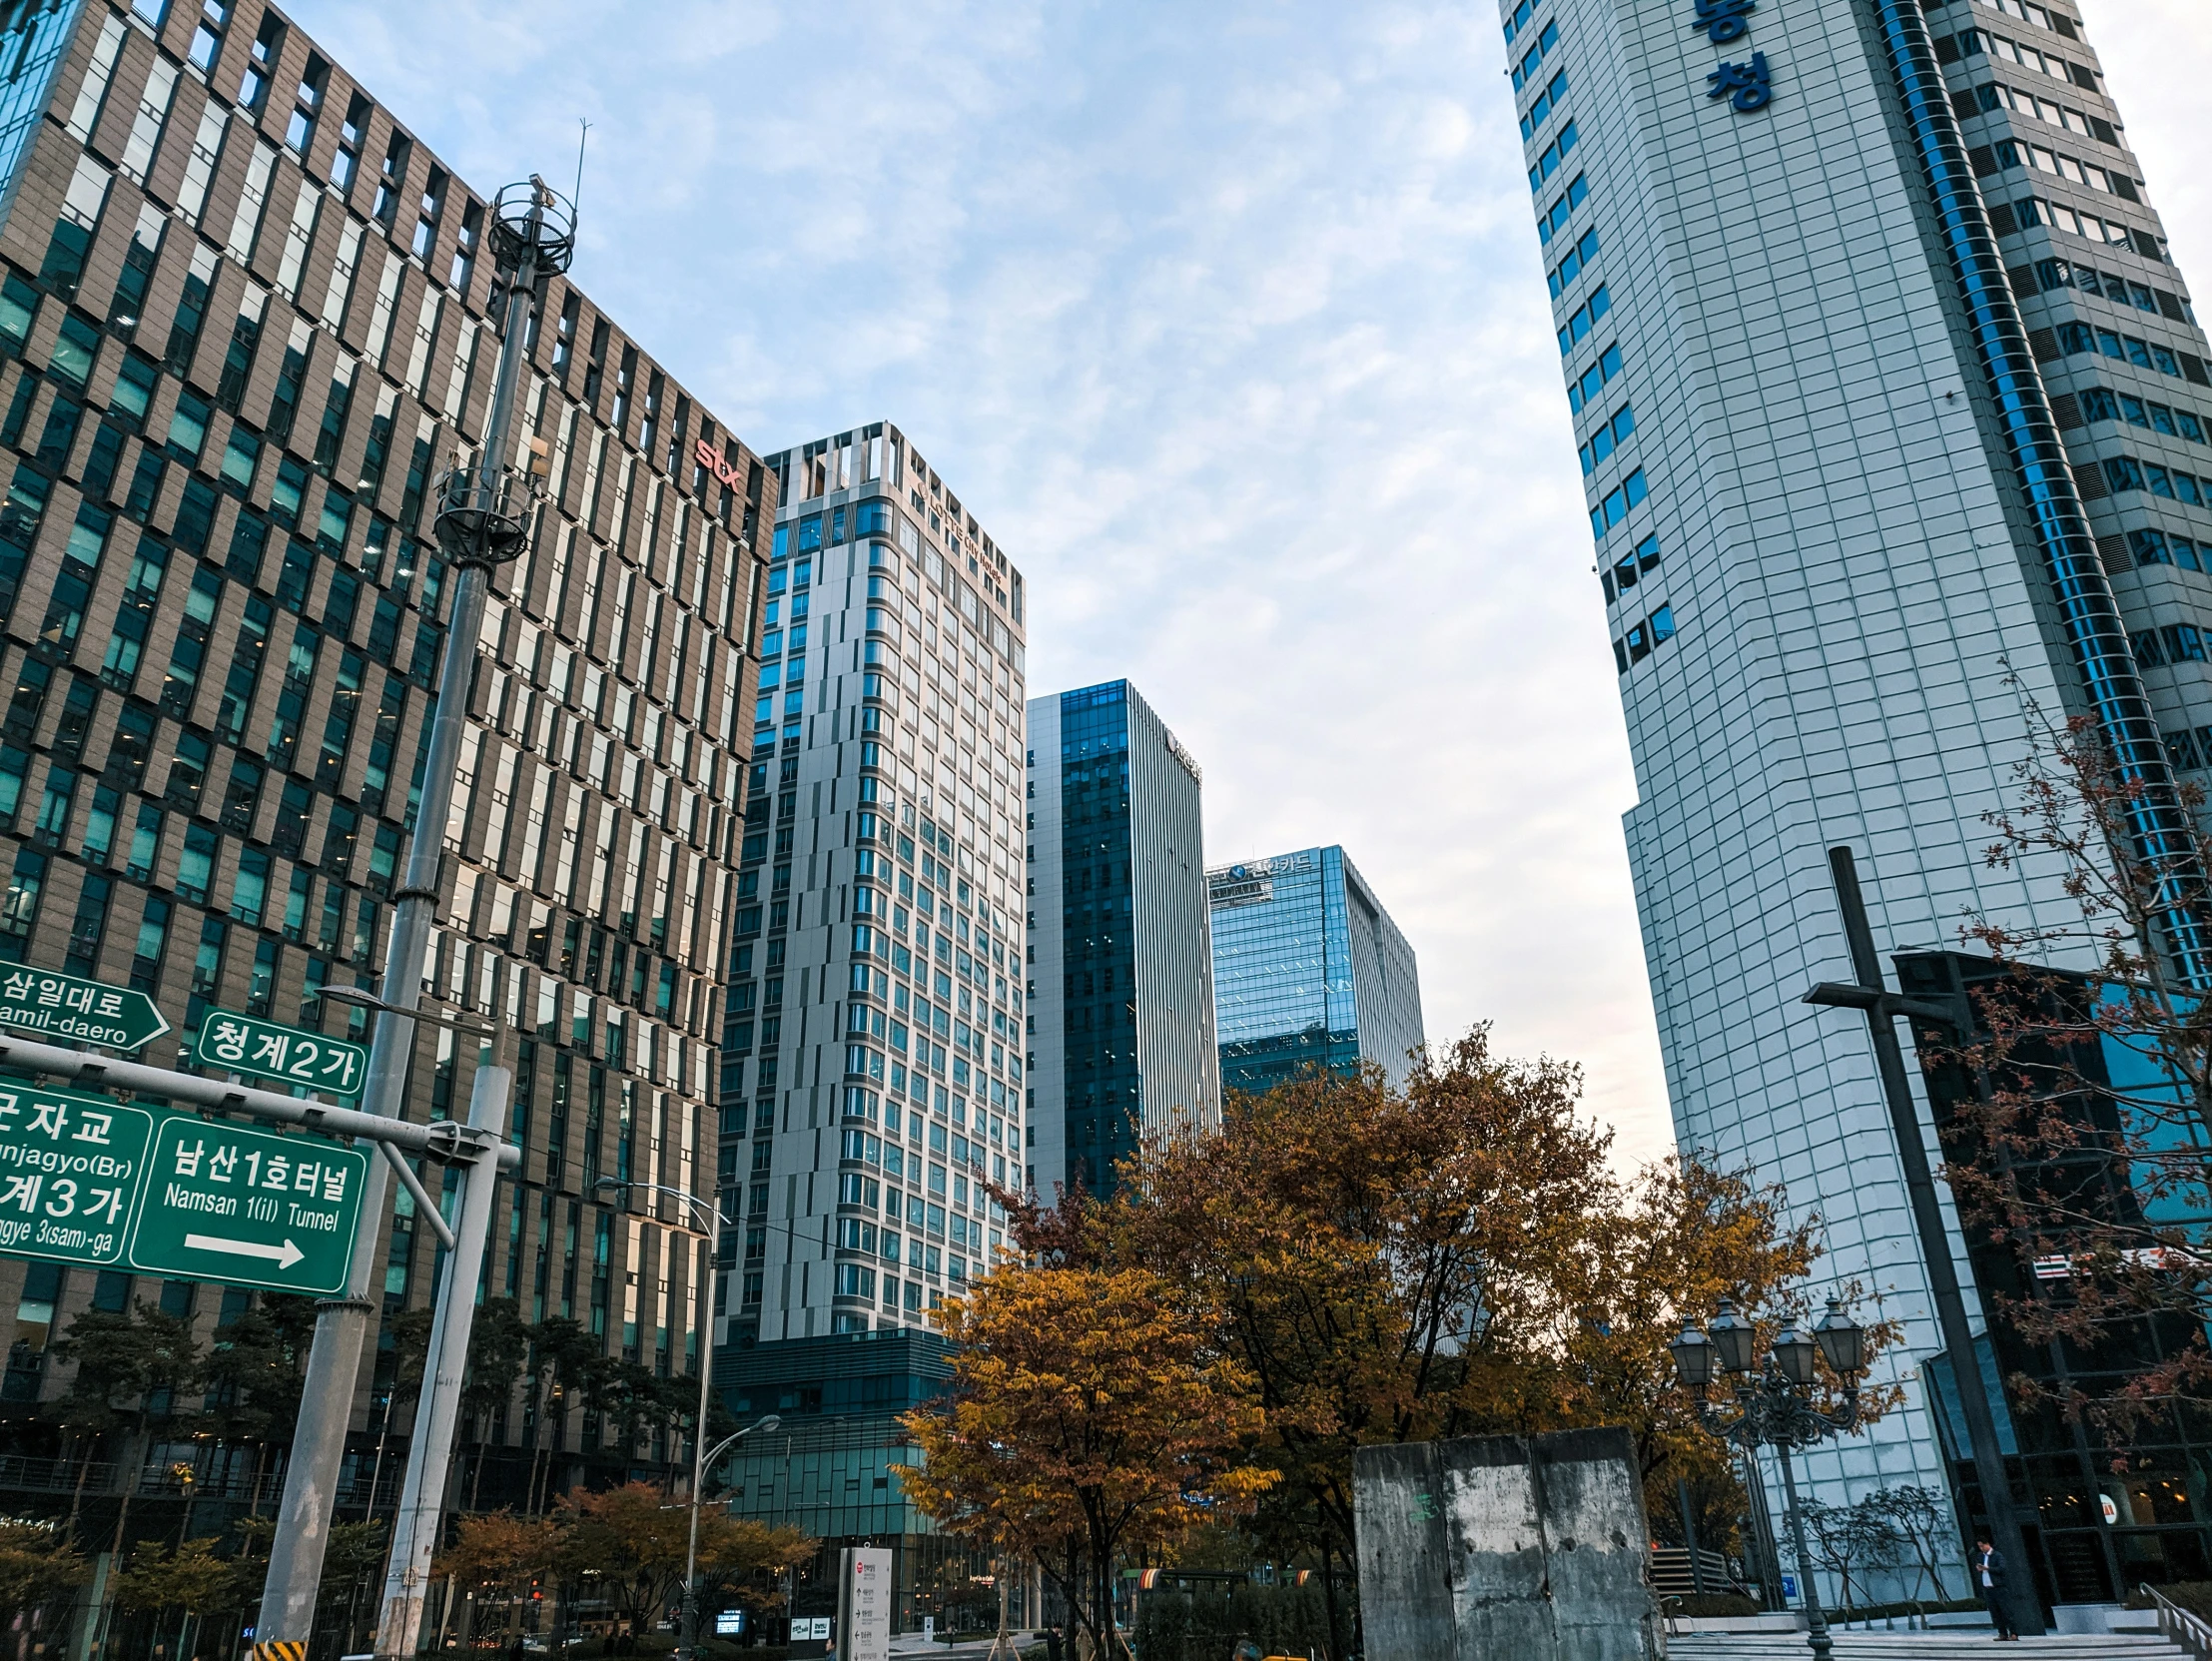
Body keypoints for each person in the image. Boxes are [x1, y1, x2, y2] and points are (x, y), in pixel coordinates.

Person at [1974, 1536, 2019, 1641]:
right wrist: (1980, 1569)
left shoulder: (1997, 1555)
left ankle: (2013, 1633)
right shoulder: (1980, 1556)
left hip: (1999, 1588)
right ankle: (2002, 1633)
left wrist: (1988, 1568)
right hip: (1988, 1589)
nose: (1981, 1548)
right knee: (1995, 1613)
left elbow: (2002, 1569)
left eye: (1982, 1546)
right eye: (1979, 1546)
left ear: (1987, 1544)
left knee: (2006, 1611)